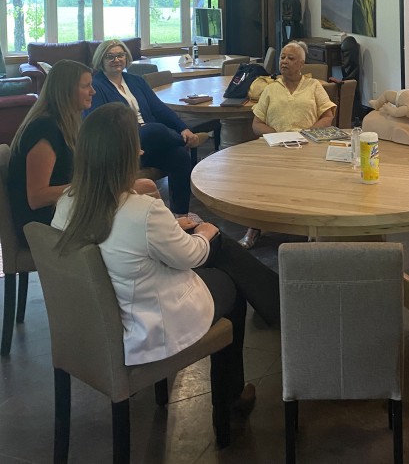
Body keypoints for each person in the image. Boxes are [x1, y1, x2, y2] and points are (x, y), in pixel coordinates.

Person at [52, 104, 280, 416]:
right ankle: (232, 397)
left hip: (101, 321)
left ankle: (276, 301)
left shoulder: (68, 203)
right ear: (128, 151)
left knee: (219, 253)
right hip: (146, 325)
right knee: (226, 273)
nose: (142, 149)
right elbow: (190, 256)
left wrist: (171, 226)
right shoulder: (140, 212)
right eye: (136, 142)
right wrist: (207, 232)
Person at [89, 39, 208, 218]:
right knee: (155, 130)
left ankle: (180, 215)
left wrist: (183, 128)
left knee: (179, 155)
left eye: (120, 55)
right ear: (101, 60)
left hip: (151, 143)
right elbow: (99, 124)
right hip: (124, 144)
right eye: (110, 56)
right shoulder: (96, 86)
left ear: (126, 57)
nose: (116, 60)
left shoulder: (136, 81)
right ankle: (189, 141)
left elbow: (159, 108)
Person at [241, 40, 336, 248]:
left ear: (301, 64)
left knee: (315, 180)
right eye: (282, 57)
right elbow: (257, 124)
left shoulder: (314, 86)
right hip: (276, 147)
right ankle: (254, 226)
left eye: (290, 58)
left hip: (308, 145)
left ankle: (312, 228)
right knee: (262, 182)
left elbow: (328, 116)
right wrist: (276, 136)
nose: (284, 61)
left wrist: (309, 132)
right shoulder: (270, 89)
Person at [7, 59, 94, 246]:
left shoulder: (64, 124)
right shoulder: (44, 129)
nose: (92, 92)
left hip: (62, 213)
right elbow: (37, 197)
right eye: (86, 86)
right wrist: (86, 187)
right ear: (67, 91)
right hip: (41, 227)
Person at [328, 35, 363, 124]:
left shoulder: (355, 69)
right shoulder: (346, 67)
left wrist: (342, 82)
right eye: (342, 54)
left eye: (345, 54)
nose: (343, 58)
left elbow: (350, 81)